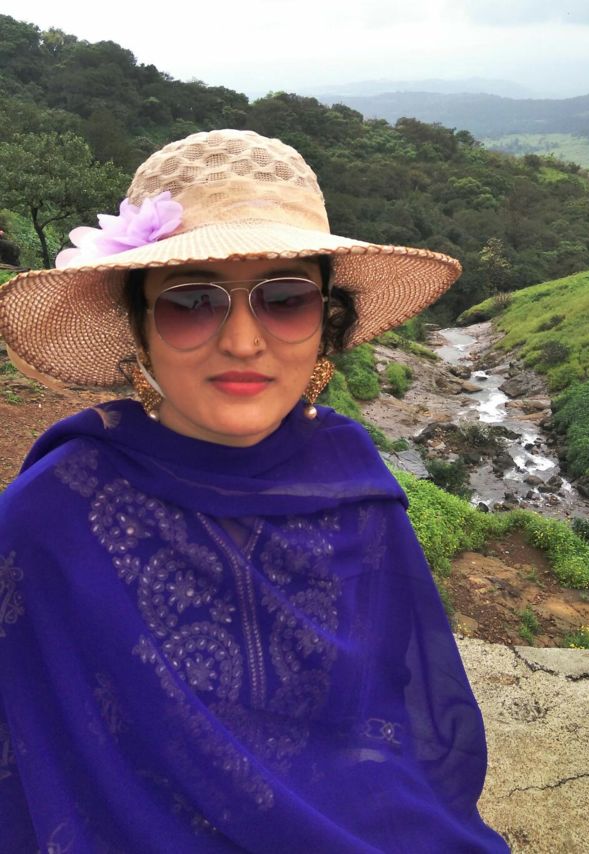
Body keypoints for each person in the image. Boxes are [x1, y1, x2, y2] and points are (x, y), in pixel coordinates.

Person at [0, 129, 509, 853]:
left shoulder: (350, 474)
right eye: (190, 302)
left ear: (326, 324)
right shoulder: (53, 515)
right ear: (139, 329)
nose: (243, 341)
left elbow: (384, 711)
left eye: (286, 299)